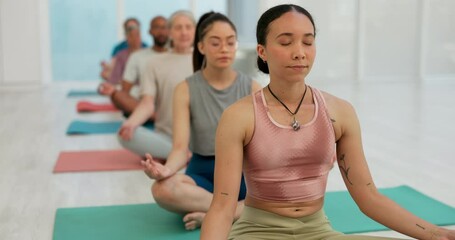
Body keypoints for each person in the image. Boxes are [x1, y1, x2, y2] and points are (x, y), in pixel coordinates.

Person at [201, 4, 455, 240]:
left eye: (308, 42)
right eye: (286, 42)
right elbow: (223, 208)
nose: (299, 52)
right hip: (257, 232)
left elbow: (368, 197)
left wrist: (435, 234)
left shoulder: (340, 112)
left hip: (319, 232)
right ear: (262, 51)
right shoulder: (239, 116)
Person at [141, 12, 262, 231]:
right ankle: (234, 212)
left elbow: (264, 146)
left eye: (230, 42)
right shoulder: (185, 89)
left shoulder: (252, 88)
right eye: (215, 43)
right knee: (161, 190)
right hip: (202, 175)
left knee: (286, 191)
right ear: (201, 47)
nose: (224, 48)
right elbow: (179, 148)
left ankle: (215, 214)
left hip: (243, 174)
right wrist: (165, 171)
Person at [117, 10, 195, 159]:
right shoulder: (154, 63)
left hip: (199, 139)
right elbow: (147, 104)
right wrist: (131, 123)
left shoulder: (206, 61)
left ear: (195, 30)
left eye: (188, 27)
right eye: (178, 28)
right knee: (123, 134)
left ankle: (179, 154)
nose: (184, 32)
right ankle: (183, 154)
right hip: (166, 136)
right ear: (170, 32)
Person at [99, 16, 169, 116]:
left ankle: (149, 114)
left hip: (167, 99)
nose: (161, 31)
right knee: (118, 94)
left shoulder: (174, 54)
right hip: (142, 96)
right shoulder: (125, 54)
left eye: (137, 34)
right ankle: (155, 116)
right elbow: (124, 89)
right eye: (157, 27)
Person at [100, 18, 144, 85]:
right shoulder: (119, 51)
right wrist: (109, 70)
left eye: (137, 35)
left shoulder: (146, 49)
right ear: (127, 35)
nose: (135, 39)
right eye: (130, 28)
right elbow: (114, 71)